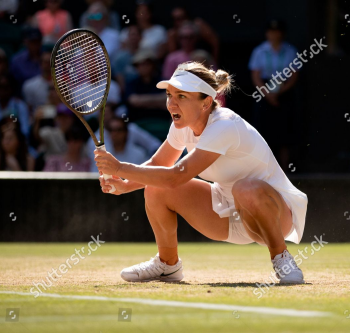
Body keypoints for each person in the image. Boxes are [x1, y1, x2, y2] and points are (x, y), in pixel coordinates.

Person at [94, 61, 308, 283]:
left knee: (246, 187)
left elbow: (177, 175)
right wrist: (125, 184)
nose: (171, 104)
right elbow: (160, 163)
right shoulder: (182, 125)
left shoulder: (224, 124)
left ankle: (281, 257)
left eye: (182, 96)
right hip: (226, 216)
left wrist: (119, 168)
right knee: (156, 188)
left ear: (206, 103)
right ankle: (168, 265)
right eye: (169, 95)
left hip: (275, 217)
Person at [249, 20, 300, 169]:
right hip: (265, 93)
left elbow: (294, 75)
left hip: (284, 93)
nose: (274, 35)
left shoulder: (291, 51)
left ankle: (284, 169)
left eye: (277, 31)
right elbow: (256, 75)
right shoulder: (259, 51)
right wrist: (267, 93)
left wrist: (279, 93)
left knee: (285, 131)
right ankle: (264, 168)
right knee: (264, 130)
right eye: (271, 32)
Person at [125, 48, 170, 140]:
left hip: (162, 122)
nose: (144, 67)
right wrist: (158, 102)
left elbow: (169, 101)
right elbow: (133, 101)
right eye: (141, 64)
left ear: (153, 65)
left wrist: (143, 102)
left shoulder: (163, 82)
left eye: (147, 64)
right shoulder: (132, 83)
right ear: (136, 67)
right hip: (138, 123)